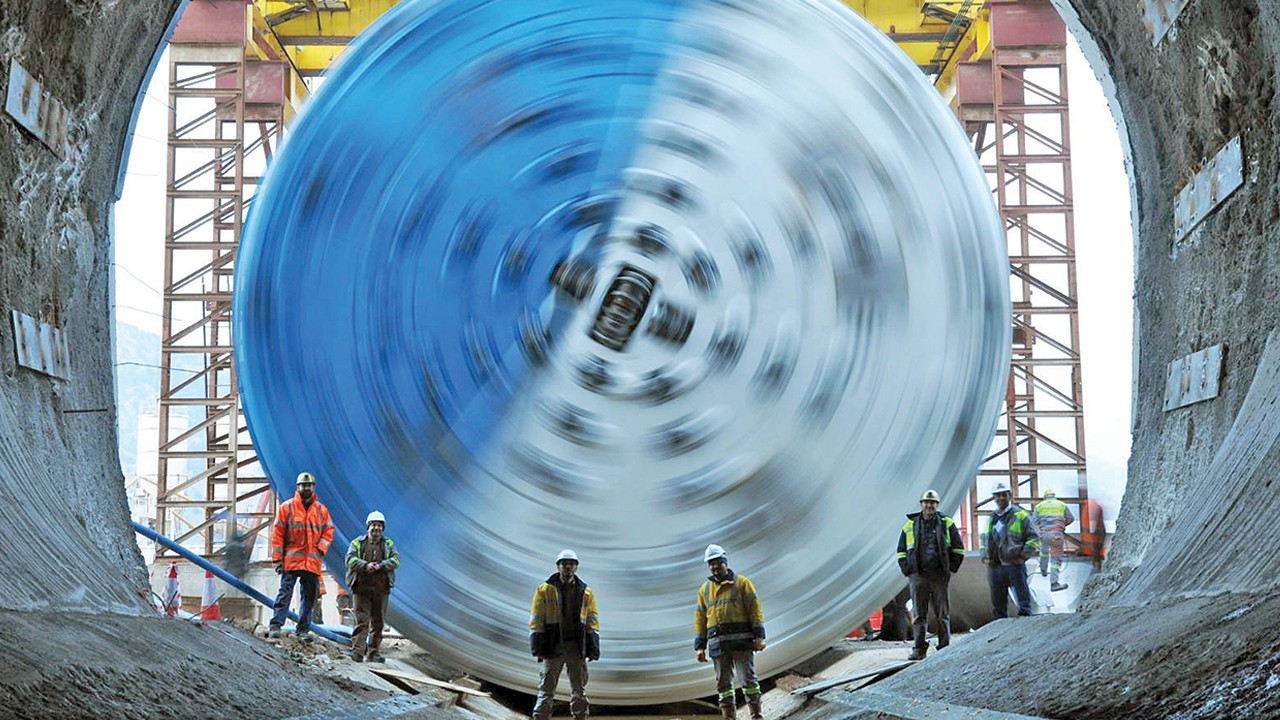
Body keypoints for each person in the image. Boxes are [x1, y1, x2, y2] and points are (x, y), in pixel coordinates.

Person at [695, 545, 765, 720]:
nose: (714, 566)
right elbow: (700, 619)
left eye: (717, 562)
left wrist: (759, 637)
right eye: (711, 563)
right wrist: (700, 646)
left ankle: (756, 715)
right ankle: (729, 718)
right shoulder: (705, 590)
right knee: (723, 685)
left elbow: (755, 611)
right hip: (718, 646)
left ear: (725, 562)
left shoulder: (742, 583)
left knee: (748, 680)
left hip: (742, 644)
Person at [530, 550, 600, 720]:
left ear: (576, 567)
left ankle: (580, 716)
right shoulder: (544, 590)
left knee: (579, 687)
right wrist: (538, 647)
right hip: (553, 645)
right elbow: (537, 619)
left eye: (571, 563)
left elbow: (592, 621)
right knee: (547, 686)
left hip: (576, 646)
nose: (568, 566)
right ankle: (541, 716)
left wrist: (593, 648)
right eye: (564, 563)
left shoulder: (586, 592)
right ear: (558, 566)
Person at [896, 489, 966, 660]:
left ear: (937, 505)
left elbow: (958, 548)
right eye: (926, 502)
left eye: (933, 503)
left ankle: (944, 648)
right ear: (921, 504)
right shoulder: (910, 525)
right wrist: (907, 569)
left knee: (942, 614)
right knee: (919, 615)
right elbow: (901, 551)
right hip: (918, 576)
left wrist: (950, 569)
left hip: (939, 576)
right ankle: (919, 649)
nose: (929, 506)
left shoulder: (946, 523)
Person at [268, 471, 334, 639]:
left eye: (309, 485)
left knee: (309, 597)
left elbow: (329, 531)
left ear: (313, 487)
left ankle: (303, 629)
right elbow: (278, 534)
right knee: (285, 593)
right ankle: (276, 625)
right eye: (303, 485)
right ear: (298, 487)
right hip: (291, 561)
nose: (306, 488)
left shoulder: (321, 510)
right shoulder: (287, 508)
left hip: (311, 562)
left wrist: (320, 548)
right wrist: (278, 560)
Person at [345, 510, 400, 662]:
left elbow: (396, 560)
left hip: (381, 590)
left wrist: (381, 565)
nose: (376, 528)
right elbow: (349, 559)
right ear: (368, 527)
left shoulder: (389, 544)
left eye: (379, 525)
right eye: (373, 525)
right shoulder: (357, 543)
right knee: (361, 621)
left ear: (383, 528)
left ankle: (373, 653)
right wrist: (365, 566)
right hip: (361, 589)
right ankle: (357, 653)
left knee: (378, 622)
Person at [984, 482, 1040, 618]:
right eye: (997, 495)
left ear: (1010, 495)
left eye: (1004, 495)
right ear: (994, 498)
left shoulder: (1020, 515)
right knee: (998, 602)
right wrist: (985, 556)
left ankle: (1025, 622)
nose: (1000, 498)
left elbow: (1034, 538)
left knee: (1023, 599)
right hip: (996, 566)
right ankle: (1000, 624)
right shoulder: (992, 518)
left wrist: (1023, 556)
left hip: (1014, 564)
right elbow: (985, 539)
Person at [1032, 489, 1075, 591]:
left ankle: (1043, 570)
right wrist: (1062, 525)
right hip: (1057, 534)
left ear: (1045, 497)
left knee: (1044, 552)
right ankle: (1054, 583)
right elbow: (1071, 518)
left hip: (1044, 534)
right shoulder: (1061, 505)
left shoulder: (1039, 506)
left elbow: (1033, 522)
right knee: (1055, 559)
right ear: (1054, 496)